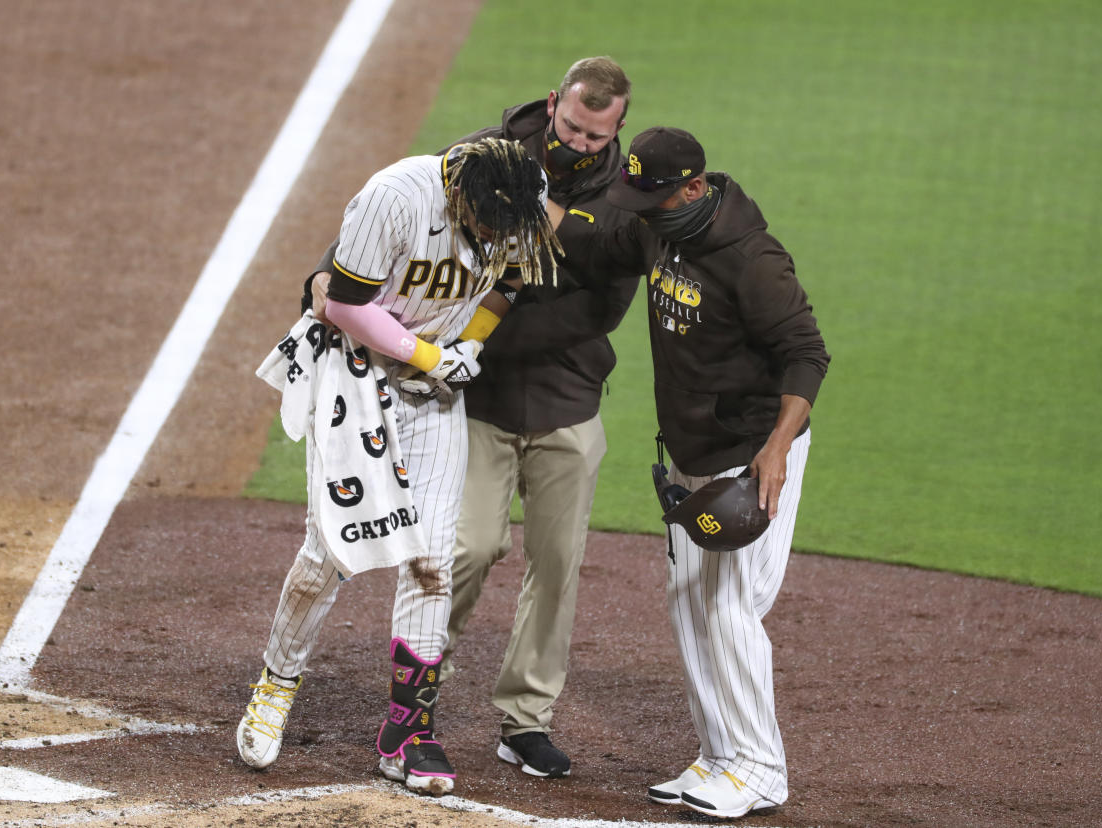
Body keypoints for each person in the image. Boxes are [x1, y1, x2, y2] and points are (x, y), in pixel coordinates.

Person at [237, 137, 559, 798]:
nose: (497, 235)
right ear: (465, 193)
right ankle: (276, 681)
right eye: (488, 222)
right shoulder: (395, 197)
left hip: (434, 396)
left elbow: (509, 283)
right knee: (326, 555)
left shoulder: (522, 205)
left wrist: (468, 345)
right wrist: (428, 356)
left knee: (431, 561)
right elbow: (342, 305)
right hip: (354, 379)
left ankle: (406, 734)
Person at [546, 126, 830, 818]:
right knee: (691, 600)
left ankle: (760, 768)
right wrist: (532, 205)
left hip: (750, 455)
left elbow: (806, 354)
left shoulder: (751, 258)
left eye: (654, 198)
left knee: (728, 607)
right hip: (691, 454)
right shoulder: (655, 228)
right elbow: (592, 240)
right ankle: (723, 756)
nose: (641, 211)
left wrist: (776, 449)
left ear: (694, 188)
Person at [441, 56, 638, 779]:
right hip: (478, 403)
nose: (579, 144)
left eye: (594, 137)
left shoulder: (627, 198)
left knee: (556, 565)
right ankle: (417, 690)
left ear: (618, 127)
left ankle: (525, 720)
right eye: (571, 128)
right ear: (554, 103)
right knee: (466, 548)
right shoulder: (483, 159)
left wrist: (509, 296)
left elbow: (603, 310)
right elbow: (405, 222)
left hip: (567, 403)